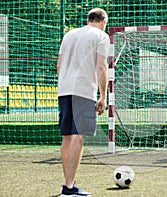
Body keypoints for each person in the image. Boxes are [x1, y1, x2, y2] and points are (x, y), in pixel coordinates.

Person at [57, 8, 110, 196]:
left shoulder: (69, 34)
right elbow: (101, 66)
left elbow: (59, 65)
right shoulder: (102, 36)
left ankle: (68, 184)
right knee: (78, 137)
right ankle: (69, 188)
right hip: (83, 91)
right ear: (103, 21)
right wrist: (103, 96)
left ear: (89, 19)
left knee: (67, 137)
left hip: (64, 90)